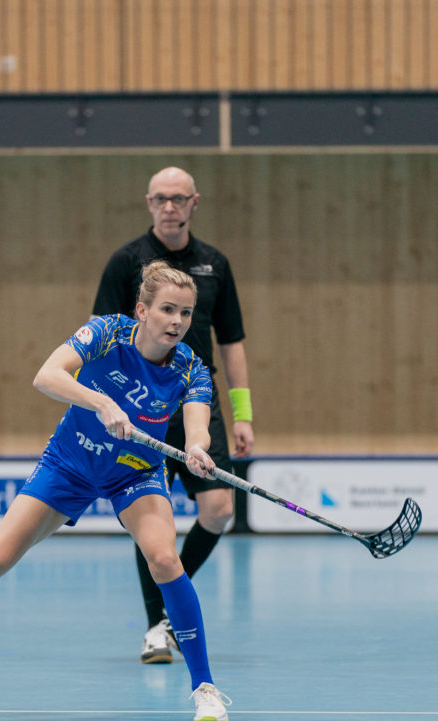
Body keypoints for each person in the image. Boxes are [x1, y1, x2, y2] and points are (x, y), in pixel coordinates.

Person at [0, 261, 232, 721]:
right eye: (168, 310)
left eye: (186, 314)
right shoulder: (107, 333)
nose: (177, 322)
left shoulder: (192, 367)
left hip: (134, 473)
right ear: (142, 310)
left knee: (166, 560)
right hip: (69, 465)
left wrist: (195, 449)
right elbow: (47, 375)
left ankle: (204, 687)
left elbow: (196, 424)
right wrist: (101, 402)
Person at [92, 166, 255, 665]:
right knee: (151, 521)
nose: (169, 206)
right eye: (161, 198)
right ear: (148, 203)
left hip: (195, 402)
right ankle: (155, 630)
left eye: (178, 198)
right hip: (139, 410)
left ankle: (166, 607)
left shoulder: (215, 265)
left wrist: (242, 413)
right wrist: (107, 402)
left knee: (220, 510)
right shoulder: (126, 262)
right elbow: (100, 334)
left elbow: (230, 342)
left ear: (194, 203)